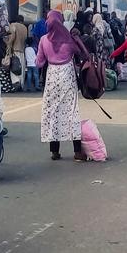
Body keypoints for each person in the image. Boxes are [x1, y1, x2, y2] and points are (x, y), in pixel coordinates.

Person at [36, 10, 87, 161]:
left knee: (52, 112)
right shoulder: (68, 39)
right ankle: (77, 152)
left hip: (52, 77)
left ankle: (54, 151)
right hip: (67, 76)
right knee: (71, 111)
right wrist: (76, 38)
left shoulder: (44, 40)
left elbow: (39, 63)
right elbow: (82, 54)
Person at [6, 15, 27, 87]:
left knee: (14, 66)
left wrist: (9, 44)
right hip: (22, 49)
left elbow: (12, 37)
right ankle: (21, 83)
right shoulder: (24, 27)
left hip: (15, 49)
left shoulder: (13, 25)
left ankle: (15, 82)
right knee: (21, 67)